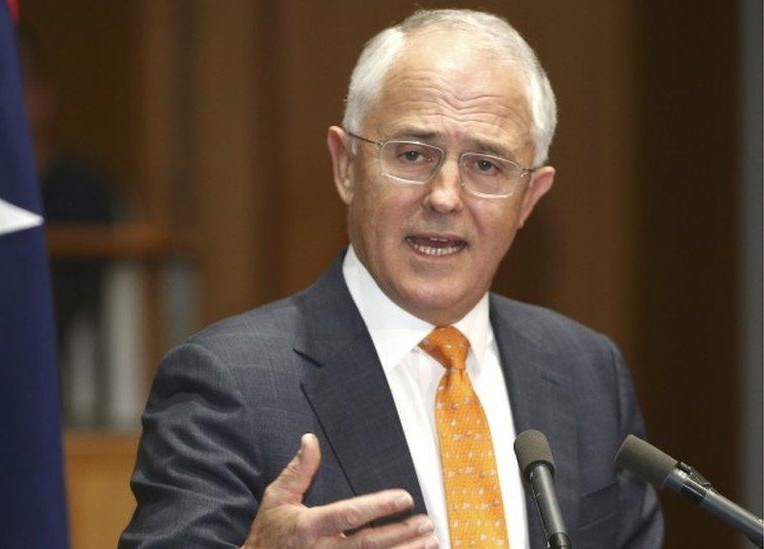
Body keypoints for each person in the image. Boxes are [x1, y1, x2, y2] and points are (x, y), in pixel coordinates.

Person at [121, 9, 663, 548]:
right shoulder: (228, 383)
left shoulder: (588, 374)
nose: (445, 196)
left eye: (486, 166)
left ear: (530, 198)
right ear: (347, 167)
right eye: (412, 154)